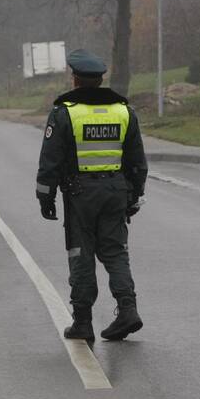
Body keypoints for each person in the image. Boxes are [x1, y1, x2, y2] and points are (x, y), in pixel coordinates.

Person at [36, 49, 147, 343]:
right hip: (115, 191)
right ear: (99, 80)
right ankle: (128, 309)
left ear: (75, 79)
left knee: (80, 254)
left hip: (80, 195)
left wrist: (45, 198)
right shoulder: (124, 111)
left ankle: (83, 322)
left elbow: (50, 161)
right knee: (115, 252)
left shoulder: (65, 112)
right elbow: (138, 162)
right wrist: (134, 196)